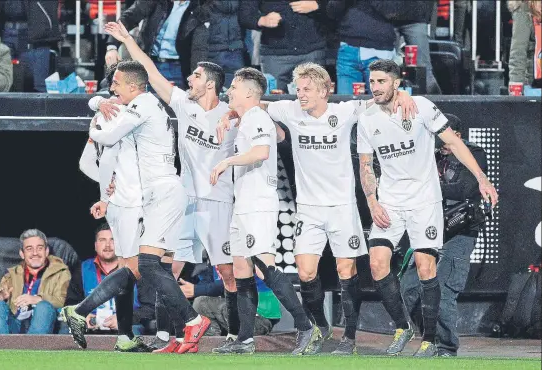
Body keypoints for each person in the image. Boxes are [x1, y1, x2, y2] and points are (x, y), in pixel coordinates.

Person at [217, 62, 416, 355]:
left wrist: (405, 95)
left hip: (341, 207)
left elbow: (380, 98)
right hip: (308, 209)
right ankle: (319, 328)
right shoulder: (289, 110)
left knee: (346, 270)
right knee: (306, 271)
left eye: (307, 89)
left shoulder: (344, 112)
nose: (301, 94)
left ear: (325, 91)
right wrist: (231, 112)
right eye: (298, 89)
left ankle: (349, 338)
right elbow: (255, 105)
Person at [102, 21, 240, 353]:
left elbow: (263, 113)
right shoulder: (183, 104)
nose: (188, 79)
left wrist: (234, 113)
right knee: (166, 268)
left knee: (227, 271)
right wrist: (126, 40)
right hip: (185, 201)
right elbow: (149, 72)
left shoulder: (230, 113)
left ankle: (237, 336)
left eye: (194, 76)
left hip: (219, 201)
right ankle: (172, 337)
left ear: (209, 83)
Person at [356, 59, 498, 357]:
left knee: (425, 267)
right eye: (372, 82)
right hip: (390, 201)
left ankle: (431, 340)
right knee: (377, 264)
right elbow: (366, 165)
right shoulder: (366, 116)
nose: (376, 87)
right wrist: (372, 200)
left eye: (382, 81)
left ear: (396, 83)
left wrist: (482, 179)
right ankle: (402, 326)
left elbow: (456, 144)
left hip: (423, 200)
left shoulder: (419, 106)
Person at [71, 60, 211, 355]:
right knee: (160, 268)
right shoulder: (141, 104)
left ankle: (193, 320)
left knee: (145, 264)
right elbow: (104, 102)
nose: (113, 88)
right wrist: (98, 102)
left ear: (133, 87)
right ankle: (180, 336)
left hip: (161, 192)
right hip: (161, 193)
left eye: (117, 84)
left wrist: (92, 129)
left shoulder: (143, 104)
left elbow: (107, 135)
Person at [209, 67, 322, 355]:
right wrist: (229, 116)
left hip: (258, 203)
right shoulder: (248, 117)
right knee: (242, 270)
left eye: (234, 86)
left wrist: (226, 162)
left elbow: (262, 152)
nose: (229, 91)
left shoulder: (257, 117)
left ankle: (306, 325)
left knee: (263, 266)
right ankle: (245, 339)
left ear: (248, 92)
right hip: (243, 202)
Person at [400, 114, 488, 357]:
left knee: (445, 290)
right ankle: (430, 339)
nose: (439, 144)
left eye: (442, 138)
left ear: (456, 135)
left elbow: (465, 190)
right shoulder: (431, 154)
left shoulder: (474, 154)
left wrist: (426, 184)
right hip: (428, 228)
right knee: (409, 287)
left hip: (459, 231)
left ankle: (446, 348)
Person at [63, 224, 142, 336]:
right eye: (102, 240)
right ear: (95, 245)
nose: (108, 245)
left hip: (127, 325)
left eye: (112, 240)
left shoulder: (136, 269)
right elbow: (70, 302)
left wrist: (127, 318)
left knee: (133, 330)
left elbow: (149, 309)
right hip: (91, 326)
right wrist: (82, 316)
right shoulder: (82, 269)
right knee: (68, 328)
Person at [0, 229, 71, 334]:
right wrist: (0, 299)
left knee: (43, 307)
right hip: (17, 323)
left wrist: (37, 299)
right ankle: (2, 349)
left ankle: (33, 349)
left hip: (45, 323)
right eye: (29, 249)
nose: (35, 253)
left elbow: (61, 301)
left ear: (46, 251)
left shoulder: (61, 272)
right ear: (22, 254)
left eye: (40, 248)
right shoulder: (11, 275)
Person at [238, 0, 328, 93]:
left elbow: (337, 6)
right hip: (275, 56)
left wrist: (318, 5)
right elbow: (245, 15)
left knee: (314, 102)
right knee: (274, 104)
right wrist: (261, 20)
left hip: (312, 52)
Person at [104, 0, 198, 89]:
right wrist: (112, 47)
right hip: (146, 64)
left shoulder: (200, 6)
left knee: (173, 104)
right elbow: (129, 17)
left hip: (178, 68)